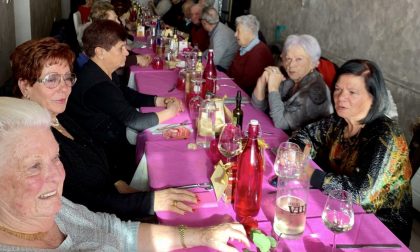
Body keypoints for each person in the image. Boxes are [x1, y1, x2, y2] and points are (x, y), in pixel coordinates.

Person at [0, 97, 250, 251]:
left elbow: (116, 232)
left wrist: (200, 235)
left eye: (56, 157)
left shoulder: (58, 208)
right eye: (33, 166)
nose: (56, 175)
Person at [10, 37, 196, 220]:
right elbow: (83, 204)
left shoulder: (59, 116)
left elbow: (95, 152)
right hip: (100, 222)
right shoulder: (33, 143)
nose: (64, 88)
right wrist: (149, 202)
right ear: (25, 86)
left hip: (115, 196)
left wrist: (120, 185)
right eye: (52, 80)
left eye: (67, 78)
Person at [289, 59, 412, 245]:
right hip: (337, 210)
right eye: (337, 89)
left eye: (352, 92)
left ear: (374, 97)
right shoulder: (340, 120)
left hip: (378, 233)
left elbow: (361, 193)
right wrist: (297, 153)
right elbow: (305, 135)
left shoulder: (386, 136)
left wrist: (313, 175)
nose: (340, 97)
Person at [68, 20, 184, 182]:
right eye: (121, 48)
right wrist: (170, 112)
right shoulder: (98, 86)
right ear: (100, 52)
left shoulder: (100, 70)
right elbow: (136, 121)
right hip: (107, 156)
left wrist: (159, 100)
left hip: (111, 139)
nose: (127, 52)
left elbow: (124, 93)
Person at [251, 34, 333, 133]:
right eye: (288, 59)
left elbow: (281, 123)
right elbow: (259, 106)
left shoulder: (316, 90)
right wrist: (262, 80)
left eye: (299, 59)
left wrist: (273, 88)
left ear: (313, 63)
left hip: (300, 145)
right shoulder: (291, 79)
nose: (291, 65)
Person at [227, 14, 274, 96]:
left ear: (249, 32)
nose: (235, 34)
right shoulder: (245, 47)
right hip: (235, 88)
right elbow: (231, 70)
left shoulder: (258, 53)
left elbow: (247, 86)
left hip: (245, 96)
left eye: (238, 31)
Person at [201, 6, 238, 71]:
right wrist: (200, 56)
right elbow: (211, 50)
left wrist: (200, 60)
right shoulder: (217, 27)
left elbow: (214, 61)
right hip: (219, 64)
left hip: (222, 69)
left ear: (204, 22)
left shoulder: (220, 34)